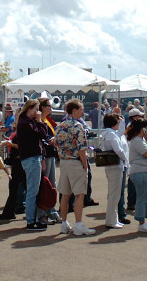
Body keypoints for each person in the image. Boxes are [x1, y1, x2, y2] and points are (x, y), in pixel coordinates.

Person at [55, 99, 95, 236]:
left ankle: (64, 223)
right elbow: (82, 148)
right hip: (75, 161)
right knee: (79, 194)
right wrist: (85, 164)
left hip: (63, 162)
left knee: (65, 194)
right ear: (74, 110)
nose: (82, 112)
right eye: (81, 109)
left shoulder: (59, 126)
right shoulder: (78, 127)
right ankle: (78, 224)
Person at [15, 99, 47, 231]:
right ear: (30, 109)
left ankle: (33, 219)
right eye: (36, 109)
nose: (38, 112)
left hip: (33, 157)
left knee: (33, 190)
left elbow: (41, 135)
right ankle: (30, 221)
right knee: (32, 191)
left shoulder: (26, 122)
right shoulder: (25, 123)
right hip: (31, 158)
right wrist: (40, 121)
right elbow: (41, 134)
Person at [100, 112, 129, 229]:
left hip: (111, 166)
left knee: (114, 193)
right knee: (114, 194)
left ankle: (113, 219)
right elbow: (119, 150)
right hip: (115, 166)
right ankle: (111, 220)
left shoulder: (107, 133)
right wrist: (125, 159)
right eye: (117, 122)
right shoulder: (111, 135)